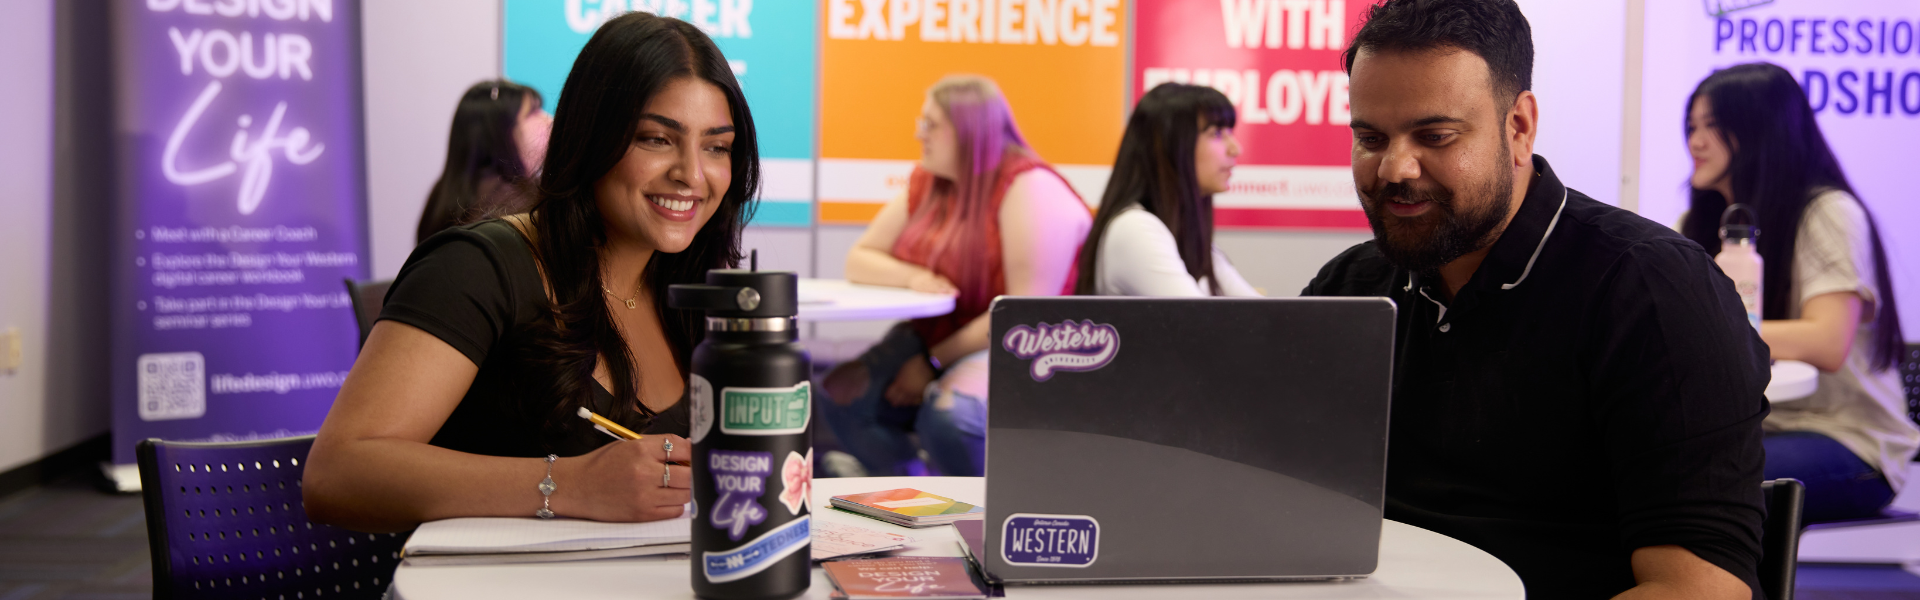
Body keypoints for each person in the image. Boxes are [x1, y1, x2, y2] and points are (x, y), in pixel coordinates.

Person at [1301, 1, 1769, 597]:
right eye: (1370, 137)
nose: (1395, 168)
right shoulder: (1350, 290)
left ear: (1518, 126)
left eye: (1435, 135)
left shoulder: (1653, 292)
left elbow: (1699, 589)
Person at [304, 12, 758, 532]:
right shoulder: (477, 267)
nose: (692, 175)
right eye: (656, 139)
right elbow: (337, 475)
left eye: (716, 147)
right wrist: (572, 485)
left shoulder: (693, 289)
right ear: (592, 136)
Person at [1679, 62, 1917, 523]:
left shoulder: (1828, 212)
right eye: (1691, 126)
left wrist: (1717, 327)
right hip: (1759, 429)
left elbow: (1826, 342)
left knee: (1705, 478)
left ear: (1761, 132)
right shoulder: (1701, 225)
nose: (1696, 141)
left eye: (1713, 126)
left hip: (1849, 442)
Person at [820, 75, 1090, 477]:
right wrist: (913, 276)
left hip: (1021, 348)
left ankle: (977, 516)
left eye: (930, 124)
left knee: (946, 418)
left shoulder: (1030, 187)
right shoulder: (932, 181)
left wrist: (931, 362)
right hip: (940, 332)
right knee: (837, 395)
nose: (918, 133)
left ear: (968, 132)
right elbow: (860, 259)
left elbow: (1022, 316)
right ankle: (912, 491)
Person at [1074, 83, 1260, 296]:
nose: (1235, 148)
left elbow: (1263, 317)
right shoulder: (1136, 228)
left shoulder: (1187, 236)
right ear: (1171, 146)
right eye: (1216, 133)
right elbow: (1203, 326)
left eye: (1230, 132)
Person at [416, 79, 553, 243]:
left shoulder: (443, 196)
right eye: (533, 111)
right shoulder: (513, 205)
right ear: (500, 131)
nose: (549, 119)